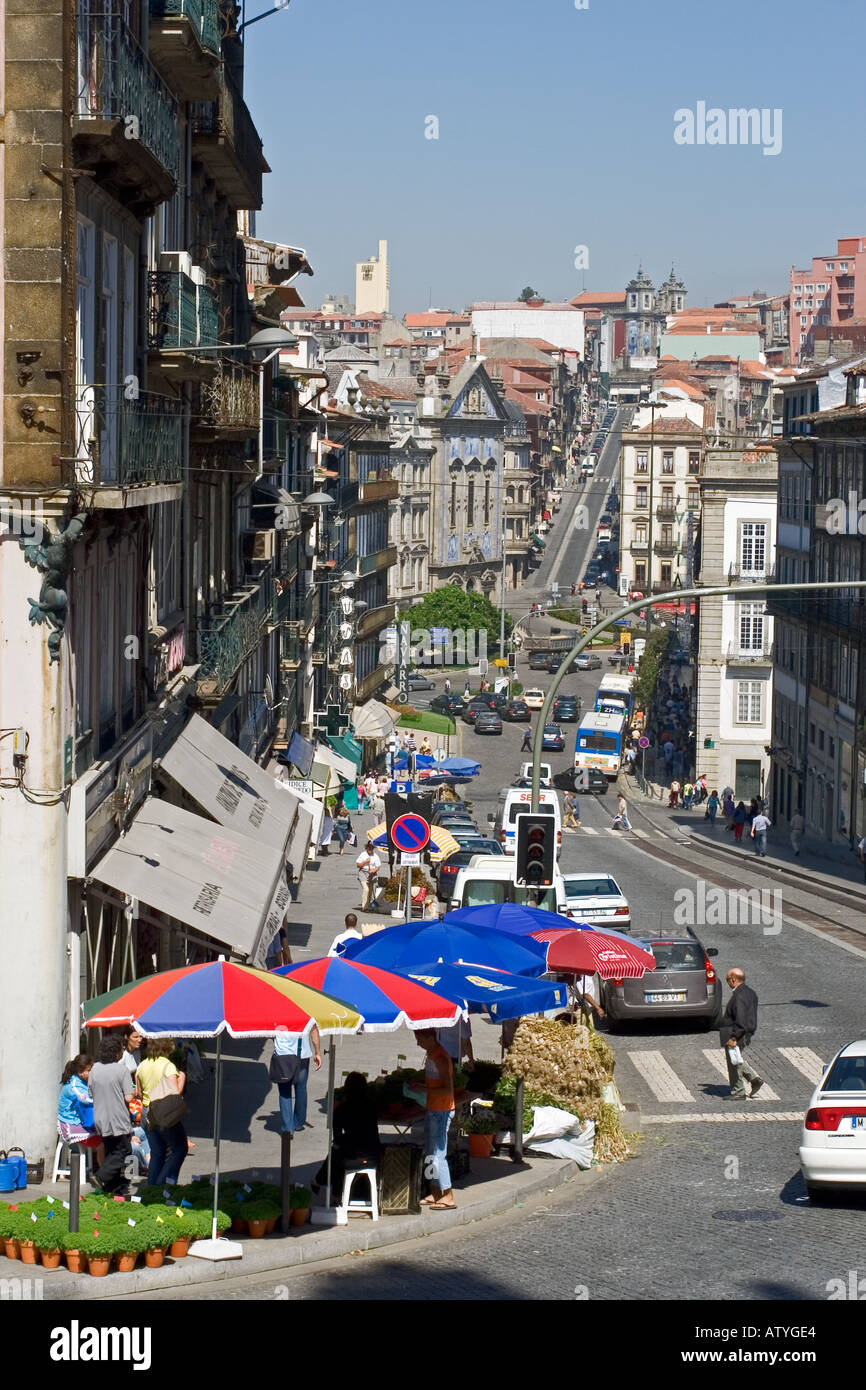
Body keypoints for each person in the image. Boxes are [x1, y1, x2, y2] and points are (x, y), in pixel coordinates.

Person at [313, 1071, 381, 1200]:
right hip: (374, 1154)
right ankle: (321, 1182)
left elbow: (337, 1137)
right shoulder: (372, 1105)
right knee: (338, 1152)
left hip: (355, 1156)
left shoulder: (342, 1109)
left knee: (336, 1154)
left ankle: (331, 1190)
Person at [135, 1038, 188, 1187]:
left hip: (146, 1112)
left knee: (157, 1152)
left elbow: (138, 1092)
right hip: (164, 1114)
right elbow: (174, 1095)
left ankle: (151, 1188)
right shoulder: (168, 1066)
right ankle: (161, 1185)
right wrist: (182, 1079)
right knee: (179, 1149)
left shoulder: (142, 1065)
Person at [414, 1029, 456, 1210]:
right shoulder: (432, 1055)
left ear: (430, 1038)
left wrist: (424, 1091)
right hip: (433, 1108)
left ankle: (448, 1195)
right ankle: (435, 1191)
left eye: (420, 1039)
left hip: (442, 1110)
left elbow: (447, 1089)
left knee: (438, 1154)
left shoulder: (441, 1058)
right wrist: (421, 1086)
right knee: (430, 1153)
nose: (418, 1043)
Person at [89, 1036, 135, 1195]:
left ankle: (113, 1189)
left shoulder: (94, 1069)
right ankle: (100, 1177)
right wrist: (135, 1092)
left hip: (101, 1117)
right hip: (118, 1117)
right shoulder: (122, 1070)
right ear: (117, 1052)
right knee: (123, 1151)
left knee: (110, 1151)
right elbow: (128, 1097)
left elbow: (91, 1092)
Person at [272, 1024, 322, 1135]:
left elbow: (267, 1032)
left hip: (282, 1056)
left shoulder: (276, 1011)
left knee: (285, 1093)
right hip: (302, 1056)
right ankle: (298, 1122)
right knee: (301, 1089)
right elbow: (313, 1030)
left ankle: (288, 1128)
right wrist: (317, 1052)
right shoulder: (305, 1011)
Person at [721, 968, 762, 1101]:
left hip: (737, 1033)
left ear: (733, 979)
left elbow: (740, 1018)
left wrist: (734, 1037)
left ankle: (738, 1091)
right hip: (746, 1032)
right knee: (736, 1058)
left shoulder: (738, 996)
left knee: (733, 1062)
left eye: (728, 980)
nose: (728, 983)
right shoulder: (750, 992)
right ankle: (754, 1079)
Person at [57, 1055, 104, 1164]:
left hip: (79, 1121)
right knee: (102, 1144)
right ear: (81, 1072)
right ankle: (104, 1176)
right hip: (70, 1125)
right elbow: (85, 1100)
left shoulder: (81, 1082)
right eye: (89, 1070)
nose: (91, 1073)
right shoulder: (74, 1086)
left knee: (105, 1136)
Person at [356, 842, 382, 910]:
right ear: (366, 848)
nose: (370, 850)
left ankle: (367, 906)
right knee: (366, 889)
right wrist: (365, 862)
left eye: (372, 848)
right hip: (363, 873)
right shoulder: (363, 854)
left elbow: (378, 866)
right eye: (369, 848)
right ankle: (364, 907)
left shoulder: (375, 856)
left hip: (372, 874)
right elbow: (358, 865)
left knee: (370, 891)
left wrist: (373, 871)